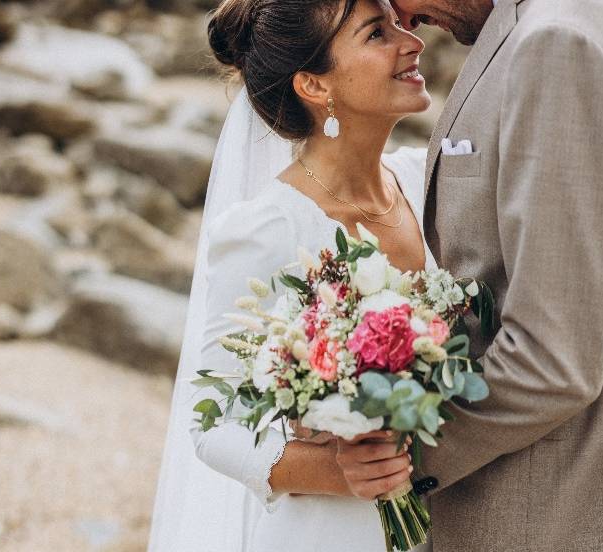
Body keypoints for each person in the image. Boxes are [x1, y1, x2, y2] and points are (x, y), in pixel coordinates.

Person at [369, 0, 603, 550]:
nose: (401, 17)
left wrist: (391, 455)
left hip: (560, 510)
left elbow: (554, 359)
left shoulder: (561, 42)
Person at [148, 1, 437, 550]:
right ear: (314, 84)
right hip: (333, 533)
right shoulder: (268, 228)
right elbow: (213, 427)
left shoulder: (425, 180)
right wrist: (336, 470)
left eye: (400, 23)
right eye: (378, 33)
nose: (412, 42)